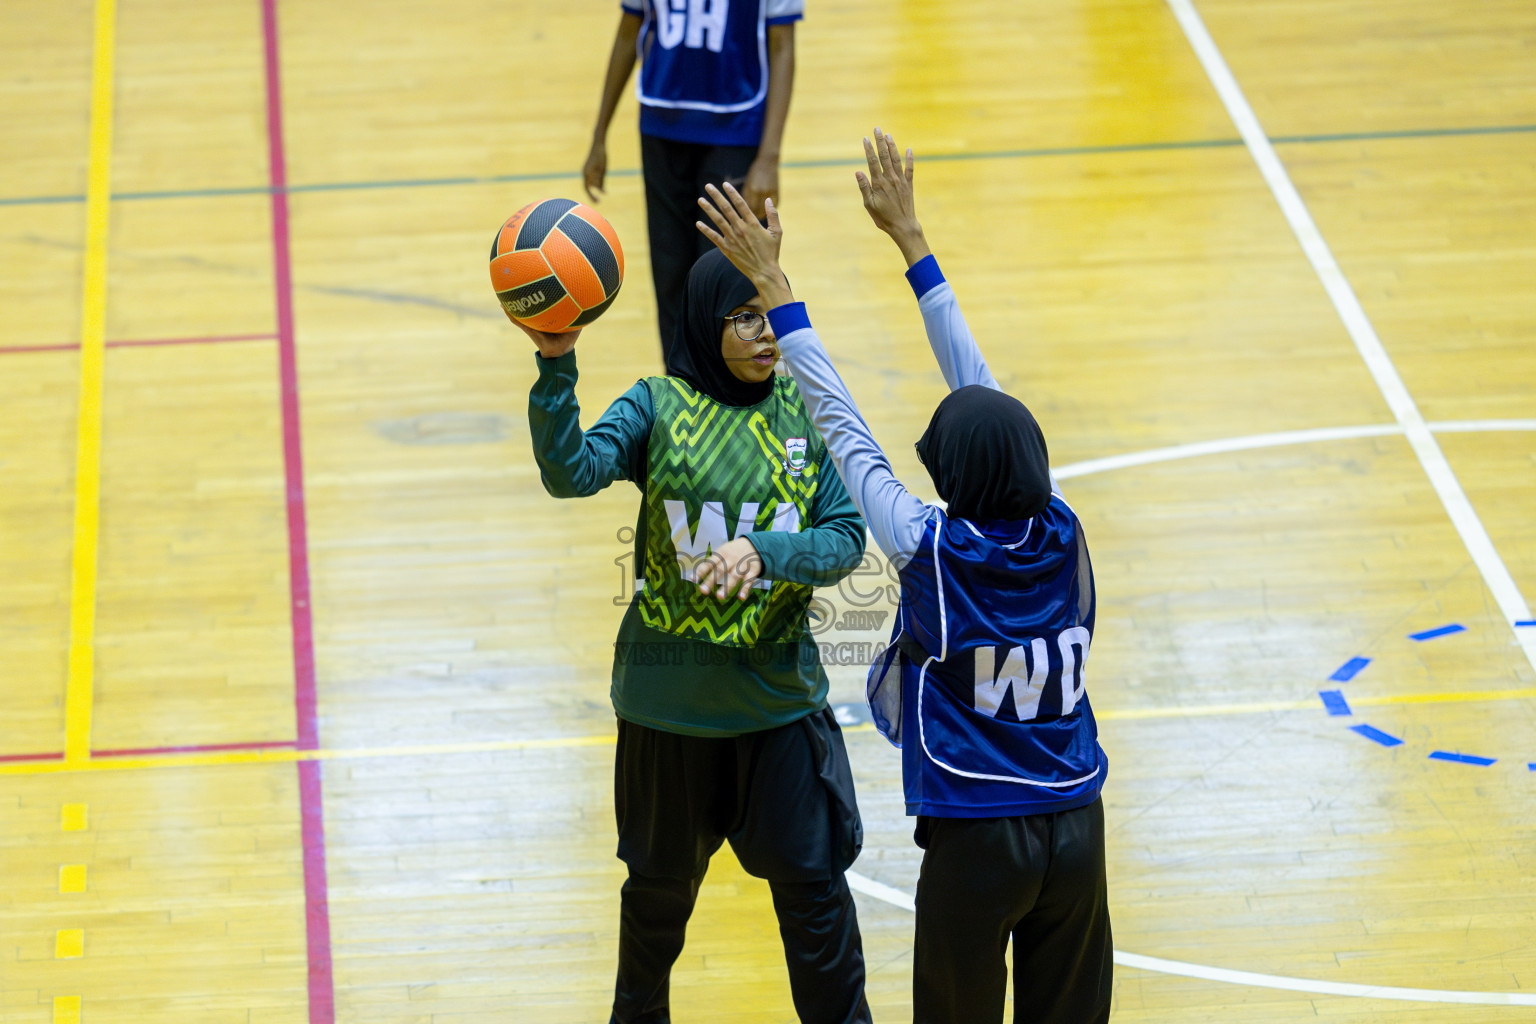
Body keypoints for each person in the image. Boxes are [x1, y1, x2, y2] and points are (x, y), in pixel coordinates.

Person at [696, 131, 1113, 1024]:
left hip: (978, 840)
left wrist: (775, 288)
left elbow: (842, 425)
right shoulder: (1065, 523)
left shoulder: (933, 549)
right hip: (1080, 827)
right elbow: (987, 392)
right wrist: (913, 244)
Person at [508, 247, 873, 1024]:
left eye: (771, 311)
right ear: (708, 325)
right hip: (668, 716)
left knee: (820, 916)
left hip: (779, 714)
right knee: (654, 917)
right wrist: (555, 365)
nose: (766, 332)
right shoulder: (658, 407)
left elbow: (845, 539)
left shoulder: (804, 409)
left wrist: (765, 552)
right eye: (743, 317)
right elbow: (570, 471)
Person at [582, 0, 801, 354]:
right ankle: (678, 392)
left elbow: (782, 45)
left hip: (736, 130)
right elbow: (628, 31)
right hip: (660, 128)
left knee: (729, 281)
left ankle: (733, 399)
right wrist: (599, 135)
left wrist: (769, 158)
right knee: (670, 277)